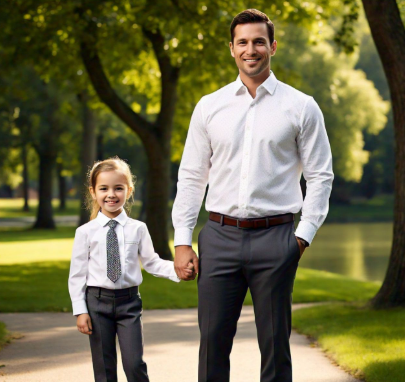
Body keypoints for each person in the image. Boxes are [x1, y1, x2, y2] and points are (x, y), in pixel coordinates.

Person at [172, 8, 334, 382]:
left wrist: (301, 238)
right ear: (231, 49)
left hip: (276, 238)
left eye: (258, 41)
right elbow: (192, 176)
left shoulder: (301, 106)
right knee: (212, 341)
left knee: (275, 344)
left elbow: (320, 177)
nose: (251, 49)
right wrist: (182, 241)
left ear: (272, 46)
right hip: (219, 237)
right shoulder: (209, 106)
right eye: (242, 42)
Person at [68, 157, 191, 382]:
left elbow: (152, 262)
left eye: (118, 188)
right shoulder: (85, 232)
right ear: (93, 192)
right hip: (97, 303)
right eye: (104, 188)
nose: (111, 194)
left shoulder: (138, 229)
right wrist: (80, 310)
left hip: (129, 303)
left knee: (134, 364)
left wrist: (179, 270)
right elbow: (77, 275)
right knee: (104, 369)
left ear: (129, 190)